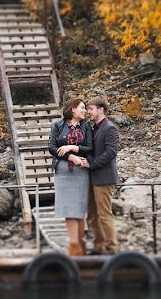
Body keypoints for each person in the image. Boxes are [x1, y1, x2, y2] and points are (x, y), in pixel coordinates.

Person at [48, 97, 93, 256]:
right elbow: (52, 148)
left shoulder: (86, 126)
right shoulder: (58, 126)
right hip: (64, 171)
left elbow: (89, 148)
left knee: (79, 209)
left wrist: (72, 147)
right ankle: (74, 246)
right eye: (82, 107)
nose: (85, 110)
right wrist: (70, 157)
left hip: (81, 170)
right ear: (73, 109)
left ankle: (80, 243)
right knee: (69, 209)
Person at [86, 97, 120, 255]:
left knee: (104, 214)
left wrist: (93, 164)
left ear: (100, 109)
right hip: (92, 179)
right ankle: (99, 246)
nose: (88, 111)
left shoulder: (110, 128)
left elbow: (111, 152)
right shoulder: (93, 128)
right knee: (92, 215)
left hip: (104, 178)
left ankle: (112, 248)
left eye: (91, 108)